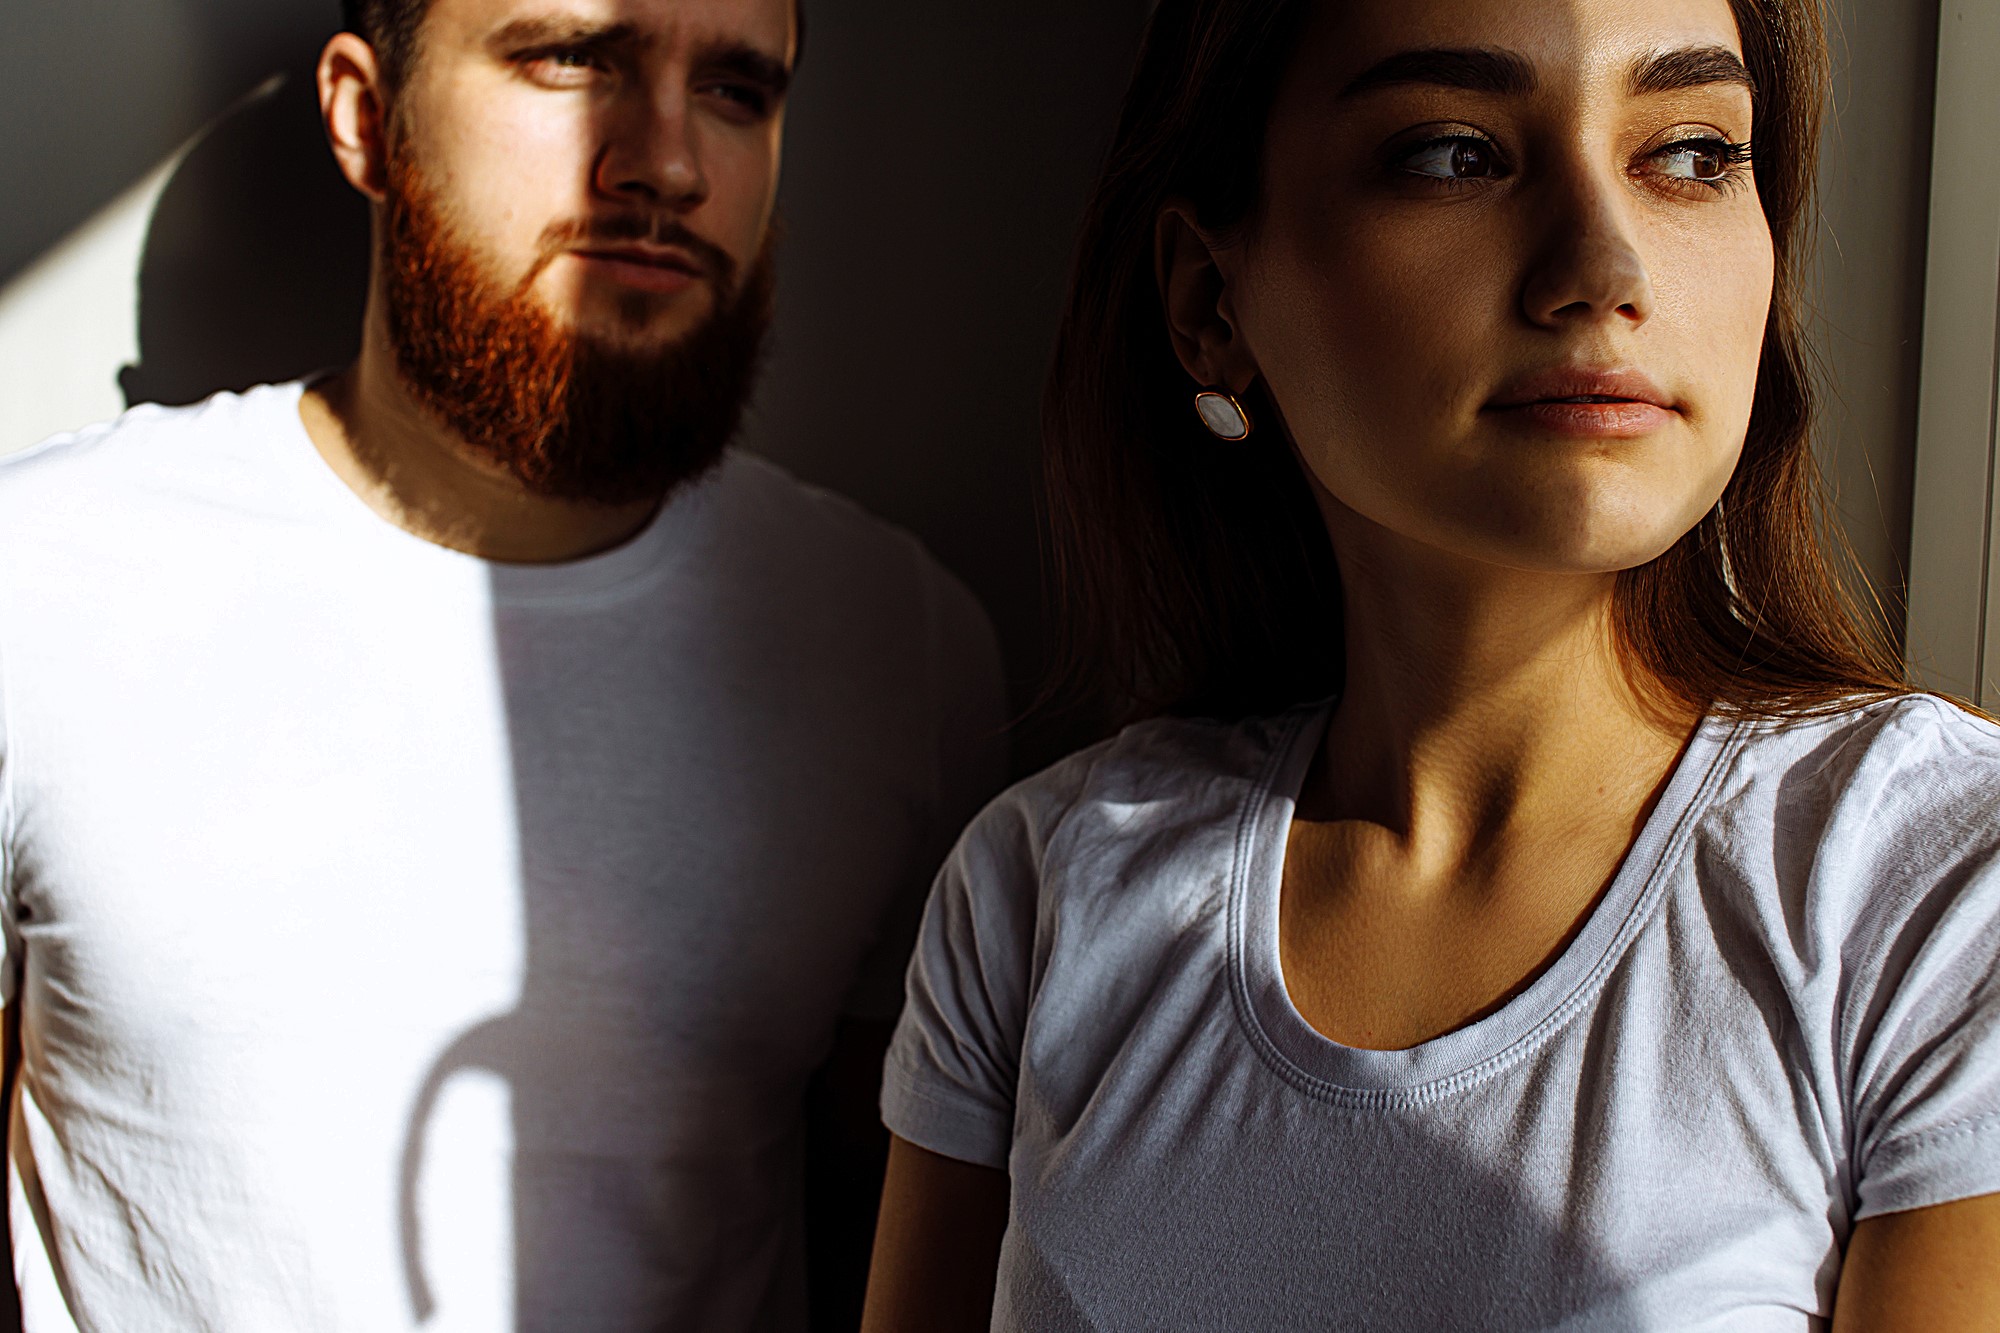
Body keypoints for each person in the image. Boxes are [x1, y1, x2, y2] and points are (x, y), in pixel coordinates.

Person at [862, 0, 2000, 1327]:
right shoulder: (1040, 889)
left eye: (1691, 150)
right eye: (1455, 152)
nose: (1601, 265)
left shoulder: (1934, 883)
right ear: (1209, 300)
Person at [0, 0, 1007, 1328]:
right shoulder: (44, 577)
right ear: (368, 117)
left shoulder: (901, 647)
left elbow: (892, 1245)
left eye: (738, 91)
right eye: (571, 59)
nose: (666, 164)